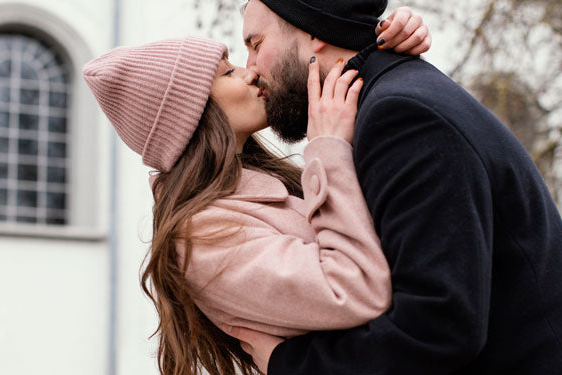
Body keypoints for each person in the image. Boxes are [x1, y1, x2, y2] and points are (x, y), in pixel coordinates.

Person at [228, 1, 562, 374]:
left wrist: (290, 365)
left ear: (311, 31)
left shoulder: (401, 116)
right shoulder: (386, 100)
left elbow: (437, 325)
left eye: (256, 44)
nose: (251, 69)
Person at [82, 10, 431, 375]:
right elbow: (354, 290)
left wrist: (388, 47)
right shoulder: (202, 237)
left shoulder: (270, 185)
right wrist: (328, 148)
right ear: (193, 113)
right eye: (227, 72)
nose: (251, 72)